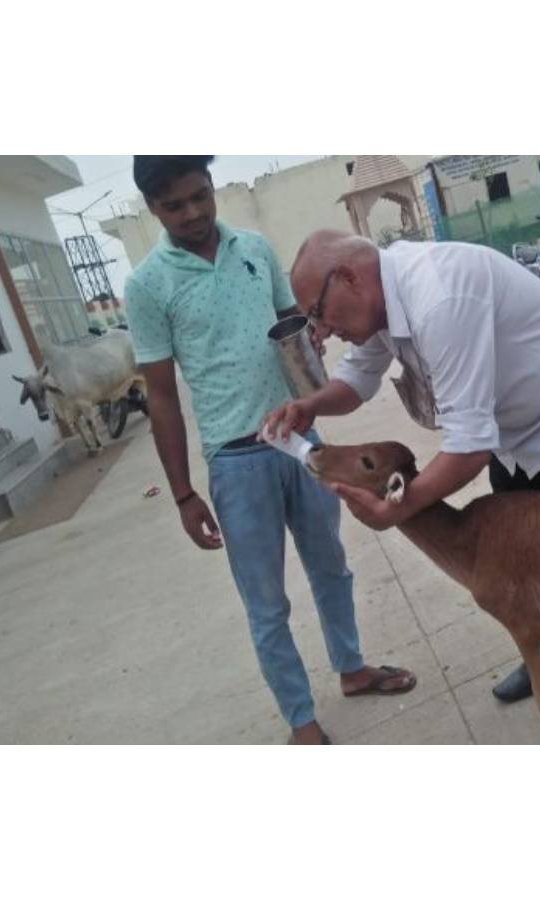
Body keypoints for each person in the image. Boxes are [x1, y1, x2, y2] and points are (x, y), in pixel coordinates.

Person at [262, 230, 540, 744]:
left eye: (318, 313)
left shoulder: (439, 298)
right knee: (530, 561)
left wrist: (398, 510)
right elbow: (357, 382)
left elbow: (468, 447)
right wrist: (308, 408)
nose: (323, 331)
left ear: (349, 279)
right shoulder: (378, 306)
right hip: (510, 427)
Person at [123, 158, 416, 746]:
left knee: (331, 565)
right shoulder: (147, 286)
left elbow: (297, 326)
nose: (194, 212)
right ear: (153, 208)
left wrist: (312, 367)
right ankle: (300, 718)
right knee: (266, 601)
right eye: (175, 205)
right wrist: (183, 494)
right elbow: (159, 397)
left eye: (200, 196)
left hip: (302, 442)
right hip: (235, 460)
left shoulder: (254, 249)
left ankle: (352, 668)